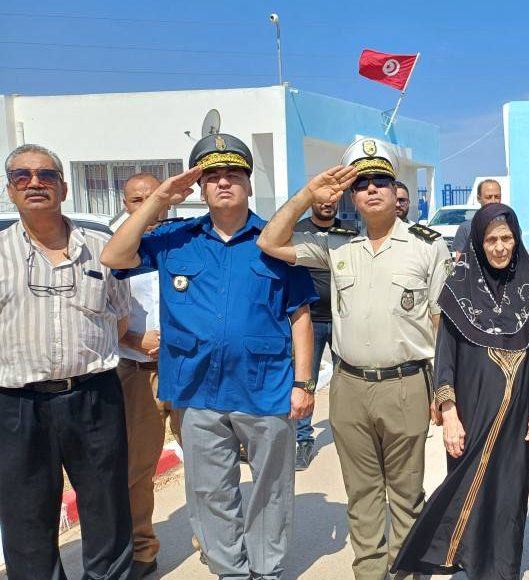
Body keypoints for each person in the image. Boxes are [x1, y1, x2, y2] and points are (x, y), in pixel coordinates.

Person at [101, 133, 318, 580]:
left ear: (249, 184)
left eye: (233, 174)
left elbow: (300, 316)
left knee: (271, 488)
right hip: (196, 388)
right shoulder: (174, 238)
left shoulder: (274, 241)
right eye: (213, 176)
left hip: (266, 386)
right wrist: (158, 199)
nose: (223, 182)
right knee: (209, 490)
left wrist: (303, 383)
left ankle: (266, 569)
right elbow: (114, 256)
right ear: (200, 189)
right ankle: (231, 570)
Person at [257, 136, 451, 579]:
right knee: (361, 494)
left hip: (407, 383)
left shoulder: (428, 246)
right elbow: (269, 241)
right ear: (351, 194)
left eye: (381, 180)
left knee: (406, 494)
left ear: (396, 189)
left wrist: (442, 390)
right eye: (361, 183)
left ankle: (406, 571)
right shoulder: (336, 245)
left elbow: (441, 325)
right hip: (349, 386)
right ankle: (369, 572)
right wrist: (308, 194)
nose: (372, 189)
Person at [393, 203, 529, 578]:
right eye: (491, 240)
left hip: (519, 422)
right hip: (473, 412)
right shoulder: (457, 290)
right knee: (468, 488)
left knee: (510, 499)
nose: (500, 247)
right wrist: (449, 414)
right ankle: (464, 562)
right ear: (478, 243)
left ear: (516, 240)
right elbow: (445, 358)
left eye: (507, 238)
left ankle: (503, 572)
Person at [0, 144, 133, 580]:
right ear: (10, 190)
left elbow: (119, 318)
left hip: (94, 397)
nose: (34, 183)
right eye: (22, 176)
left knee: (107, 506)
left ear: (64, 187)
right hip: (17, 403)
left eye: (46, 175)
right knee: (26, 515)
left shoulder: (102, 249)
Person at [116, 172, 184, 579]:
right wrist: (133, 338)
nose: (145, 206)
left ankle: (212, 541)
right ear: (125, 205)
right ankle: (142, 549)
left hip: (186, 370)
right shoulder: (116, 251)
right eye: (135, 200)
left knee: (205, 460)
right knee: (136, 470)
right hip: (136, 372)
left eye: (152, 197)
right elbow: (98, 313)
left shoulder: (185, 243)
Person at [291, 197, 356, 471]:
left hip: (344, 320)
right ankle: (303, 440)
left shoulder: (349, 232)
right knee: (306, 380)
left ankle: (349, 436)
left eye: (332, 201)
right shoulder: (299, 231)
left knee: (348, 382)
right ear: (311, 203)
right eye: (321, 201)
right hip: (309, 320)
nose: (327, 204)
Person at [452, 178, 501, 256]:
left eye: (497, 197)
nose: (493, 201)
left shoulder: (510, 225)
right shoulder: (466, 228)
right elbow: (461, 260)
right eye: (488, 197)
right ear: (479, 198)